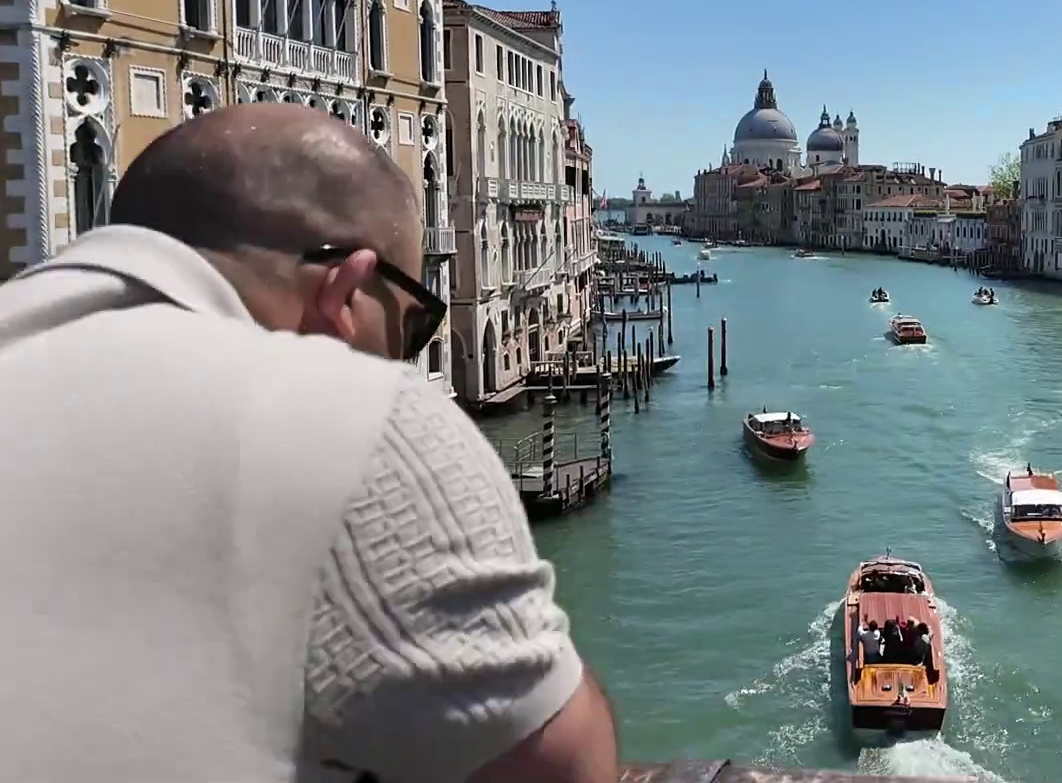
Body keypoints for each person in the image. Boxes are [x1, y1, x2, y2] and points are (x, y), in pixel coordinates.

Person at [0, 105, 616, 782]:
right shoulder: (362, 418)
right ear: (346, 291)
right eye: (415, 324)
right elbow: (565, 767)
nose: (408, 356)